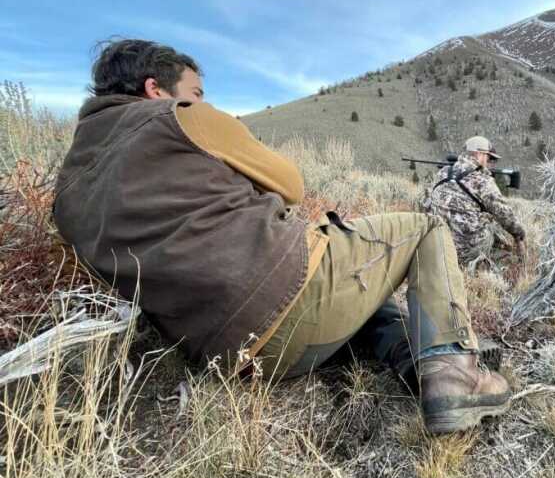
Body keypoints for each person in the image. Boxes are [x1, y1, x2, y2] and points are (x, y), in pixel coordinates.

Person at [52, 39, 511, 434]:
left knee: (361, 284)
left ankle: (414, 363)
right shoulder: (179, 117)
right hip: (289, 302)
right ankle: (454, 378)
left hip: (241, 361)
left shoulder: (68, 190)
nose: (201, 100)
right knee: (423, 227)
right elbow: (290, 184)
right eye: (196, 91)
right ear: (156, 89)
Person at [425, 136, 526, 267]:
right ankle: (495, 263)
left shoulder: (443, 172)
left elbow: (426, 202)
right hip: (466, 251)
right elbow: (504, 214)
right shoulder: (483, 180)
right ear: (479, 154)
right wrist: (520, 234)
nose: (490, 162)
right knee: (492, 222)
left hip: (438, 244)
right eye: (489, 157)